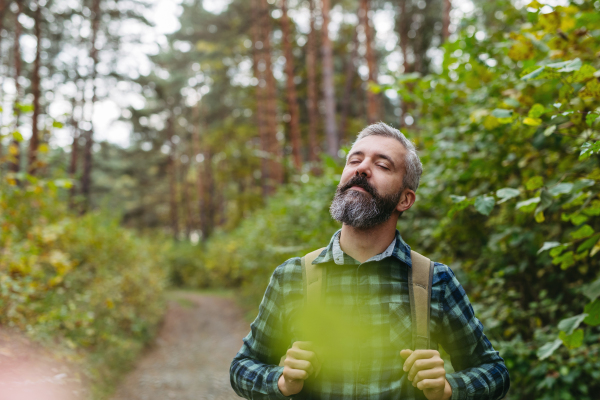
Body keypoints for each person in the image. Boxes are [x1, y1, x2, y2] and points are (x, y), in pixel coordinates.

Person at [230, 122, 510, 400]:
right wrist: (280, 382)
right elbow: (242, 367)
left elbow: (494, 372)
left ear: (405, 199)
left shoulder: (436, 281)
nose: (361, 168)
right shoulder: (292, 276)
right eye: (355, 159)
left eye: (383, 165)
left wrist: (449, 389)